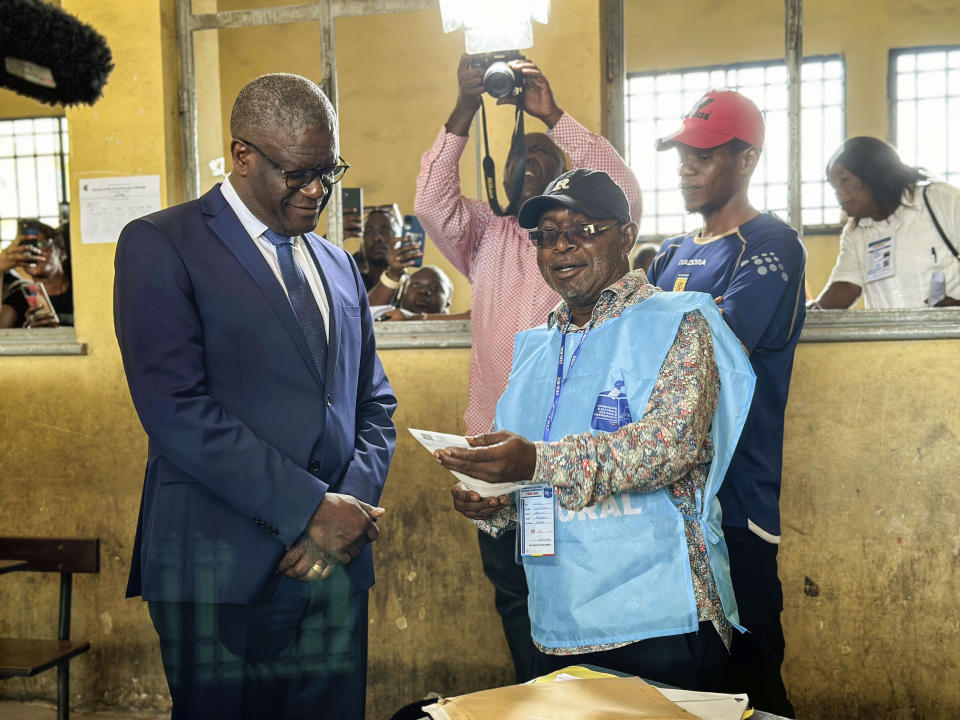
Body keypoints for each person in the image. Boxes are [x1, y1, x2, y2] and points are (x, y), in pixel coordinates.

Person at [114, 73, 397, 720]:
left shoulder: (336, 262)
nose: (317, 191)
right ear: (242, 155)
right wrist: (309, 510)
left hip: (336, 568)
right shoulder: (163, 245)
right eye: (297, 173)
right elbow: (174, 408)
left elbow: (373, 403)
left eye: (328, 172)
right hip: (223, 569)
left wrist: (346, 510)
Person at [436, 169, 755, 689]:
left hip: (659, 617)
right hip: (559, 620)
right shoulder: (534, 346)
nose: (562, 247)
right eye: (547, 234)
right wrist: (493, 500)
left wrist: (534, 461)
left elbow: (666, 448)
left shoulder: (676, 321)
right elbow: (527, 475)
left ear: (626, 237)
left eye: (583, 229)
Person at [415, 54, 642, 682]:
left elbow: (624, 193)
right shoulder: (484, 234)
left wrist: (552, 115)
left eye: (547, 168)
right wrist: (465, 107)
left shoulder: (582, 246)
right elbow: (431, 202)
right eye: (521, 163)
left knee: (584, 606)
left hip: (567, 459)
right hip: (495, 458)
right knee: (517, 601)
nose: (530, 174)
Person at [646, 89, 805, 717]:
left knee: (751, 676)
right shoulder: (668, 253)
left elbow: (712, 352)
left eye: (704, 154)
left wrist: (647, 342)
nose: (686, 165)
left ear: (747, 158)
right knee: (686, 680)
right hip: (665, 500)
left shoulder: (771, 244)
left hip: (735, 497)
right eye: (682, 152)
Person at [812, 136, 960, 309]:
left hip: (949, 335)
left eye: (844, 180)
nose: (838, 193)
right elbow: (846, 286)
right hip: (889, 336)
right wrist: (805, 317)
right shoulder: (855, 231)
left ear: (872, 173)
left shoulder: (941, 200)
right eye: (833, 185)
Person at [0, 223, 73, 328]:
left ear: (61, 252)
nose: (34, 253)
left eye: (41, 244)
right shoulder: (19, 300)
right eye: (27, 246)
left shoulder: (80, 291)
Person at [378, 265, 457, 321]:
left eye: (434, 288)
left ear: (447, 304)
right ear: (402, 296)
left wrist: (412, 318)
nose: (423, 291)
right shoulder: (383, 320)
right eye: (416, 285)